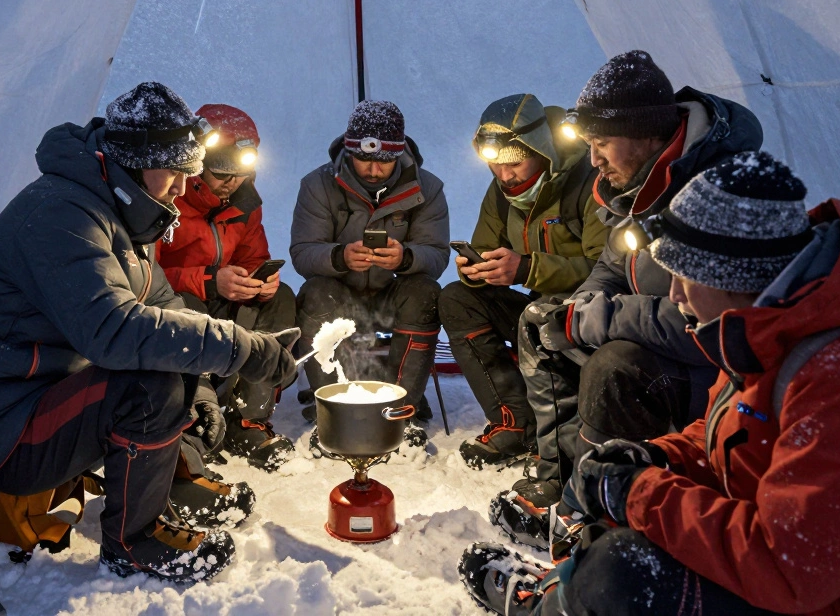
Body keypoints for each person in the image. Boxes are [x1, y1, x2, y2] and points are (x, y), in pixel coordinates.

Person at [460, 151, 840, 616]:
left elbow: (790, 569)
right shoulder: (773, 327)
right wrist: (659, 460)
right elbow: (736, 434)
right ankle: (567, 595)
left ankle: (569, 602)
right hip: (819, 573)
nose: (676, 296)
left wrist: (640, 493)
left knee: (622, 574)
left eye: (683, 278)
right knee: (630, 529)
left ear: (729, 277)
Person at [0, 82, 298, 582]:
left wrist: (202, 393)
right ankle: (134, 544)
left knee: (172, 366)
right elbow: (112, 331)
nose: (180, 187)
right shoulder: (62, 214)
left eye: (187, 173)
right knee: (150, 382)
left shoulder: (121, 209)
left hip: (49, 394)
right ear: (132, 162)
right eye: (172, 173)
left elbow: (161, 302)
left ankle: (172, 484)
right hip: (4, 428)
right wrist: (240, 348)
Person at [496, 50, 763, 549]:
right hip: (657, 341)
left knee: (616, 366)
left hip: (716, 368)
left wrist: (600, 318)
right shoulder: (638, 184)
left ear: (644, 134)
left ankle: (590, 516)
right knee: (543, 321)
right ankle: (564, 480)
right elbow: (612, 265)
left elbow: (707, 319)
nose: (593, 159)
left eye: (602, 144)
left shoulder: (718, 189)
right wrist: (580, 309)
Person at [438, 94, 607, 468]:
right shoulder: (501, 193)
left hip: (593, 315)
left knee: (539, 315)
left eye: (514, 162)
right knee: (456, 299)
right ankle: (514, 424)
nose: (504, 175)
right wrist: (477, 271)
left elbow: (606, 269)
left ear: (541, 149)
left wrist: (527, 269)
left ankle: (562, 446)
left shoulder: (589, 181)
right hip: (538, 309)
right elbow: (484, 247)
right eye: (495, 165)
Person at [289, 99, 449, 447]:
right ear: (348, 151)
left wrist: (405, 258)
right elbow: (303, 253)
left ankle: (402, 407)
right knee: (315, 293)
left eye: (384, 162)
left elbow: (436, 255)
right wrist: (340, 256)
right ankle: (332, 409)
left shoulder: (428, 188)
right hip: (339, 293)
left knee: (425, 292)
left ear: (399, 152)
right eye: (364, 160)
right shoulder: (318, 185)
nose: (374, 171)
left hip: (393, 296)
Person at [157, 103, 299, 471]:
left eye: (240, 174)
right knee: (183, 306)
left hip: (225, 297)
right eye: (222, 173)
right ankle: (195, 422)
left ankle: (249, 421)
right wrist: (207, 279)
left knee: (279, 299)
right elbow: (144, 274)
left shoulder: (245, 202)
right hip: (181, 300)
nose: (231, 183)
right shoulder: (167, 195)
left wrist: (260, 278)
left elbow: (254, 254)